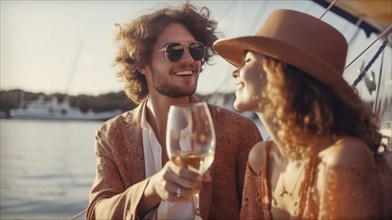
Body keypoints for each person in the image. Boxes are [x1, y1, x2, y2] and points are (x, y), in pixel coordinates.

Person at [86, 1, 262, 219]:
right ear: (142, 64)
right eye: (174, 51)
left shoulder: (239, 130)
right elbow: (97, 212)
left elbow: (259, 211)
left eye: (196, 50)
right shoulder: (111, 135)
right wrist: (153, 188)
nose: (189, 60)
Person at [213, 9, 392, 219]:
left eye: (248, 61)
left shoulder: (341, 157)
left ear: (280, 71)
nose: (236, 71)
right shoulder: (259, 157)